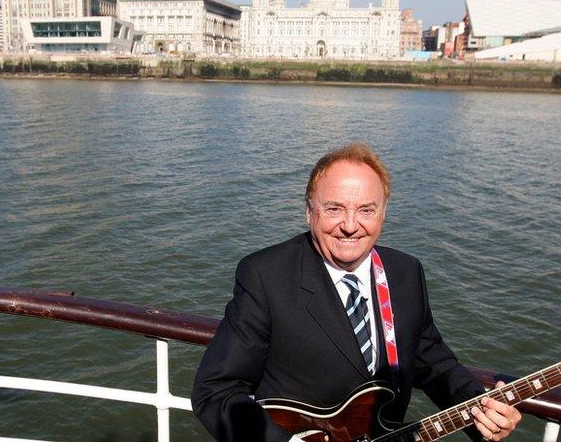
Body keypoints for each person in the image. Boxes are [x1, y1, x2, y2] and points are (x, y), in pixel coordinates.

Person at [192, 143, 521, 441]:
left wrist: (479, 409)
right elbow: (216, 391)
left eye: (366, 210)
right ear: (309, 211)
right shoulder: (266, 276)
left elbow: (429, 357)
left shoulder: (405, 272)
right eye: (334, 209)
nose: (350, 225)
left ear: (383, 213)